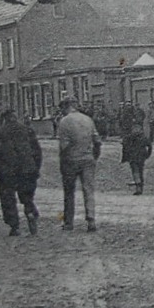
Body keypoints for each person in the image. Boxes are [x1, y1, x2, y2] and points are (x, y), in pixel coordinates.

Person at [0, 105, 42, 237]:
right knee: (26, 196)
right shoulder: (27, 130)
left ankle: (14, 226)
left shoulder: (1, 132)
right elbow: (37, 151)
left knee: (8, 197)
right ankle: (30, 212)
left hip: (9, 171)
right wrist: (36, 168)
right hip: (27, 169)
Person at [56, 95, 101, 233]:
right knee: (89, 190)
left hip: (71, 160)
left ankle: (68, 222)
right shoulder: (88, 119)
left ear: (66, 106)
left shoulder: (64, 121)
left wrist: (62, 161)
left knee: (69, 192)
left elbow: (64, 146)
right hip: (88, 159)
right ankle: (91, 220)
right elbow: (97, 141)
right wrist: (94, 156)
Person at [121, 112, 153, 197]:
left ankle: (138, 186)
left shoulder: (128, 137)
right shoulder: (143, 137)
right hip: (141, 157)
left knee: (135, 171)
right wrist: (148, 155)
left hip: (133, 157)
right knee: (140, 170)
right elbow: (149, 146)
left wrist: (125, 157)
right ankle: (140, 186)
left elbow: (124, 146)